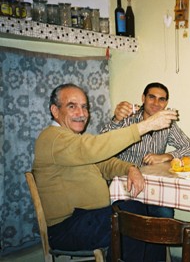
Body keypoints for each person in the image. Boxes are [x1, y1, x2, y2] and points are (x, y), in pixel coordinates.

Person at [33, 83, 178, 261]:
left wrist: (129, 168)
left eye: (84, 106)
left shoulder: (71, 138)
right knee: (135, 220)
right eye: (72, 106)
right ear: (55, 111)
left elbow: (103, 163)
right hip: (68, 226)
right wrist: (144, 126)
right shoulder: (52, 138)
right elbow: (92, 148)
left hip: (89, 217)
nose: (81, 113)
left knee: (141, 215)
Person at [101, 82, 190, 218]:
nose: (156, 103)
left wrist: (166, 156)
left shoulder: (167, 123)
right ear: (143, 98)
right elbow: (102, 144)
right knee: (133, 224)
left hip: (154, 187)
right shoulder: (127, 119)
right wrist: (117, 120)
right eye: (151, 97)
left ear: (166, 103)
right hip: (127, 185)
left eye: (161, 99)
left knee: (165, 215)